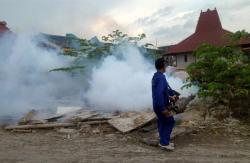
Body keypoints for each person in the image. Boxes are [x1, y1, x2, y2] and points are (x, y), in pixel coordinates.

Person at [152, 58, 176, 151]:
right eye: (165, 65)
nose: (166, 66)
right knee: (170, 121)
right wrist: (163, 109)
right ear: (163, 66)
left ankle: (163, 141)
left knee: (162, 122)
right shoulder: (161, 77)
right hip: (161, 105)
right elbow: (159, 94)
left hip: (157, 105)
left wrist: (170, 96)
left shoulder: (156, 76)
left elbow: (162, 91)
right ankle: (164, 143)